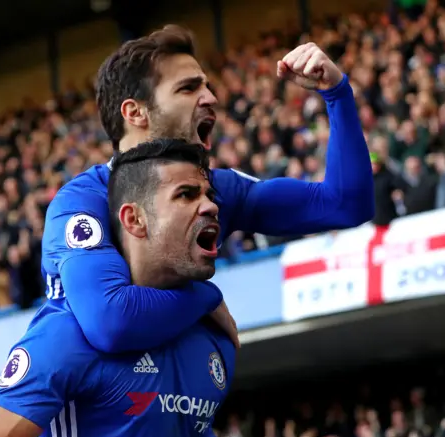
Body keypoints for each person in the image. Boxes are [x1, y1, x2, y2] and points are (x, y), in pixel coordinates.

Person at [37, 25, 374, 353]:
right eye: (188, 89)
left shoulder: (219, 191)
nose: (211, 98)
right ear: (135, 112)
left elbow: (346, 204)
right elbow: (112, 322)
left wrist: (337, 94)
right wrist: (206, 296)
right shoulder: (81, 203)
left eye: (207, 87)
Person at [0, 139, 235, 437]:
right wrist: (208, 296)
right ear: (135, 219)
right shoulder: (67, 336)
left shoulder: (214, 337)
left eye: (209, 195)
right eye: (186, 195)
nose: (210, 206)